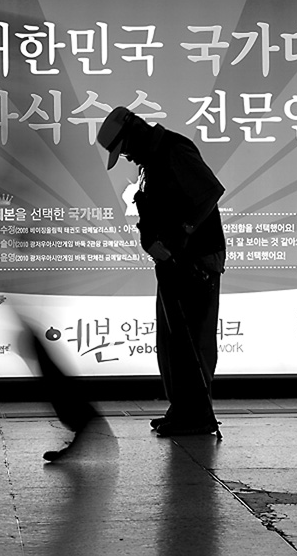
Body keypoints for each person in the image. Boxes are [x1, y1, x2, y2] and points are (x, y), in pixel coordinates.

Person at [98, 106, 226, 437]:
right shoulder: (151, 160)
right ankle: (183, 409)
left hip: (197, 260)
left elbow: (210, 191)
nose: (126, 157)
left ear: (134, 135)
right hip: (174, 261)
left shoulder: (174, 149)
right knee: (174, 340)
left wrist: (183, 232)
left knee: (192, 340)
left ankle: (198, 416)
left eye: (124, 149)